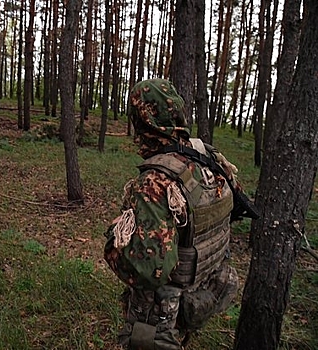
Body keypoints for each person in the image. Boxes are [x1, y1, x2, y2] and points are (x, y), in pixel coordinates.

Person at [104, 79, 258, 349]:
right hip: (199, 295)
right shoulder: (208, 159)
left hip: (158, 319)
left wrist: (114, 240)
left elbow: (148, 271)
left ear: (142, 120)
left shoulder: (156, 182)